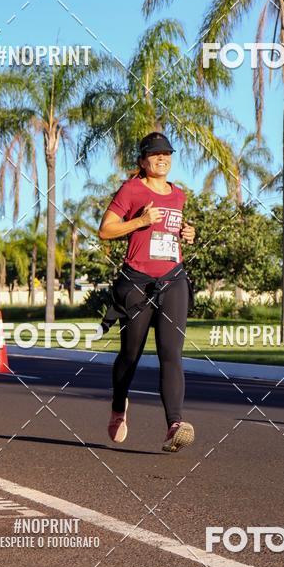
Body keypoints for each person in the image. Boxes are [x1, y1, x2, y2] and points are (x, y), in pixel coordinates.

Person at [98, 132, 196, 452]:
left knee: (171, 354)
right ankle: (118, 405)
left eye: (166, 153)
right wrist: (139, 221)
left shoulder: (178, 195)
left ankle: (175, 424)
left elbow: (169, 234)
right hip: (137, 282)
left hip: (173, 279)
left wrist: (187, 232)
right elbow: (106, 229)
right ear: (142, 161)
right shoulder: (131, 189)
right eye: (155, 155)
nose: (162, 158)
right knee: (130, 355)